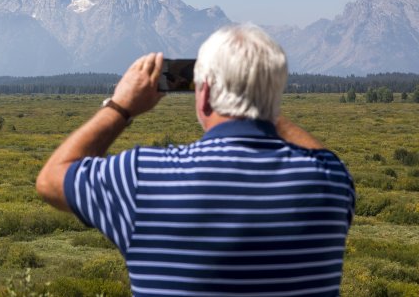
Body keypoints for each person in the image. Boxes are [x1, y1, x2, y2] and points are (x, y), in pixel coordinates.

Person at [36, 24, 355, 296]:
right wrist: (260, 101)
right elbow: (322, 155)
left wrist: (122, 105)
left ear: (203, 95)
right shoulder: (331, 182)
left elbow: (51, 179)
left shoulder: (142, 177)